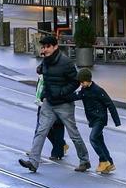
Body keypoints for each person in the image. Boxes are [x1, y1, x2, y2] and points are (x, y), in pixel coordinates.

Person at [19, 34, 88, 173]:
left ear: (56, 46)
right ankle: (33, 162)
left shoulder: (66, 62)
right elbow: (42, 73)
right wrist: (44, 94)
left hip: (64, 104)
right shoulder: (46, 61)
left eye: (48, 47)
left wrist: (62, 92)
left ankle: (84, 160)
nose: (45, 49)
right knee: (41, 131)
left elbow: (75, 82)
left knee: (73, 133)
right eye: (43, 47)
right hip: (49, 103)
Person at [74, 68, 120, 173]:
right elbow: (75, 96)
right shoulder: (84, 91)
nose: (81, 84)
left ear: (88, 80)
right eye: (80, 82)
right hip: (93, 120)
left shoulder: (98, 90)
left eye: (83, 82)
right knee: (100, 141)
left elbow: (110, 104)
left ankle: (103, 161)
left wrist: (116, 121)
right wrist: (62, 96)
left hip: (100, 119)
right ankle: (110, 163)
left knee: (93, 138)